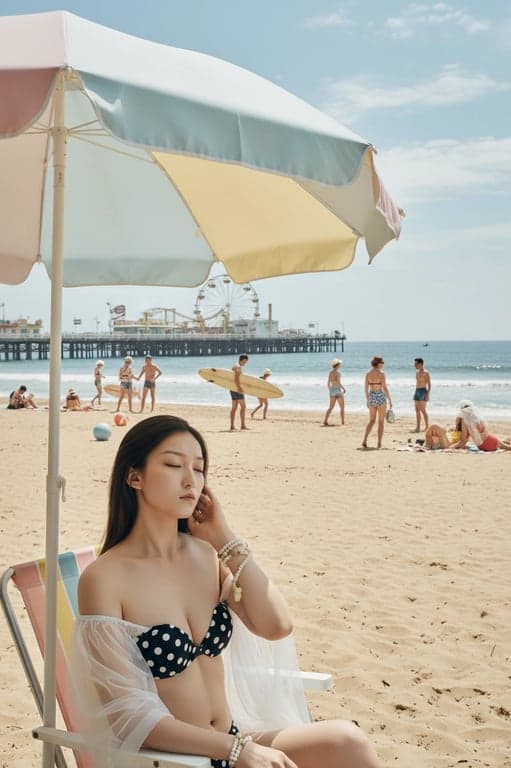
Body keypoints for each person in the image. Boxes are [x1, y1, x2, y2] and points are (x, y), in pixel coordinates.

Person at [72, 415, 382, 768]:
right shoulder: (104, 578)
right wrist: (236, 750)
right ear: (134, 476)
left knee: (348, 742)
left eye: (199, 468)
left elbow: (276, 625)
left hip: (231, 742)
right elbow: (126, 715)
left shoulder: (206, 555)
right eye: (174, 465)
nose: (191, 480)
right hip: (173, 759)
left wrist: (224, 539)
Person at [362, 356, 392, 449]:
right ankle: (379, 443)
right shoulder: (381, 374)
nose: (383, 364)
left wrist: (368, 399)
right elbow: (385, 388)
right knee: (381, 422)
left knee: (371, 421)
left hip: (371, 396)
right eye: (382, 362)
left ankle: (364, 440)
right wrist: (390, 400)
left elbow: (365, 388)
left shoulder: (368, 373)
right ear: (378, 363)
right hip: (380, 396)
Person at [322, 359, 346, 426]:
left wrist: (330, 389)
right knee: (342, 407)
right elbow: (338, 382)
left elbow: (328, 383)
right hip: (337, 390)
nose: (340, 365)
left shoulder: (330, 373)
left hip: (332, 390)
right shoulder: (338, 373)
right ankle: (343, 422)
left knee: (331, 407)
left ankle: (325, 421)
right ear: (337, 365)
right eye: (340, 364)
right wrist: (343, 388)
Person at [230, 354, 249, 431]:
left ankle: (232, 426)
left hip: (232, 388)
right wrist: (239, 388)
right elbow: (236, 379)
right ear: (243, 360)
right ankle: (243, 425)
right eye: (246, 361)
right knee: (243, 407)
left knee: (234, 408)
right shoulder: (238, 367)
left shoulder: (234, 366)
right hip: (237, 389)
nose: (246, 363)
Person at [412, 358, 431, 433]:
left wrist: (427, 394)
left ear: (420, 364)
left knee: (423, 410)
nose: (415, 365)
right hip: (417, 390)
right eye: (415, 364)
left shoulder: (426, 372)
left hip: (423, 391)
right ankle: (418, 427)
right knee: (416, 410)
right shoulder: (416, 372)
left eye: (416, 364)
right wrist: (415, 392)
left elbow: (429, 384)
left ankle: (426, 427)